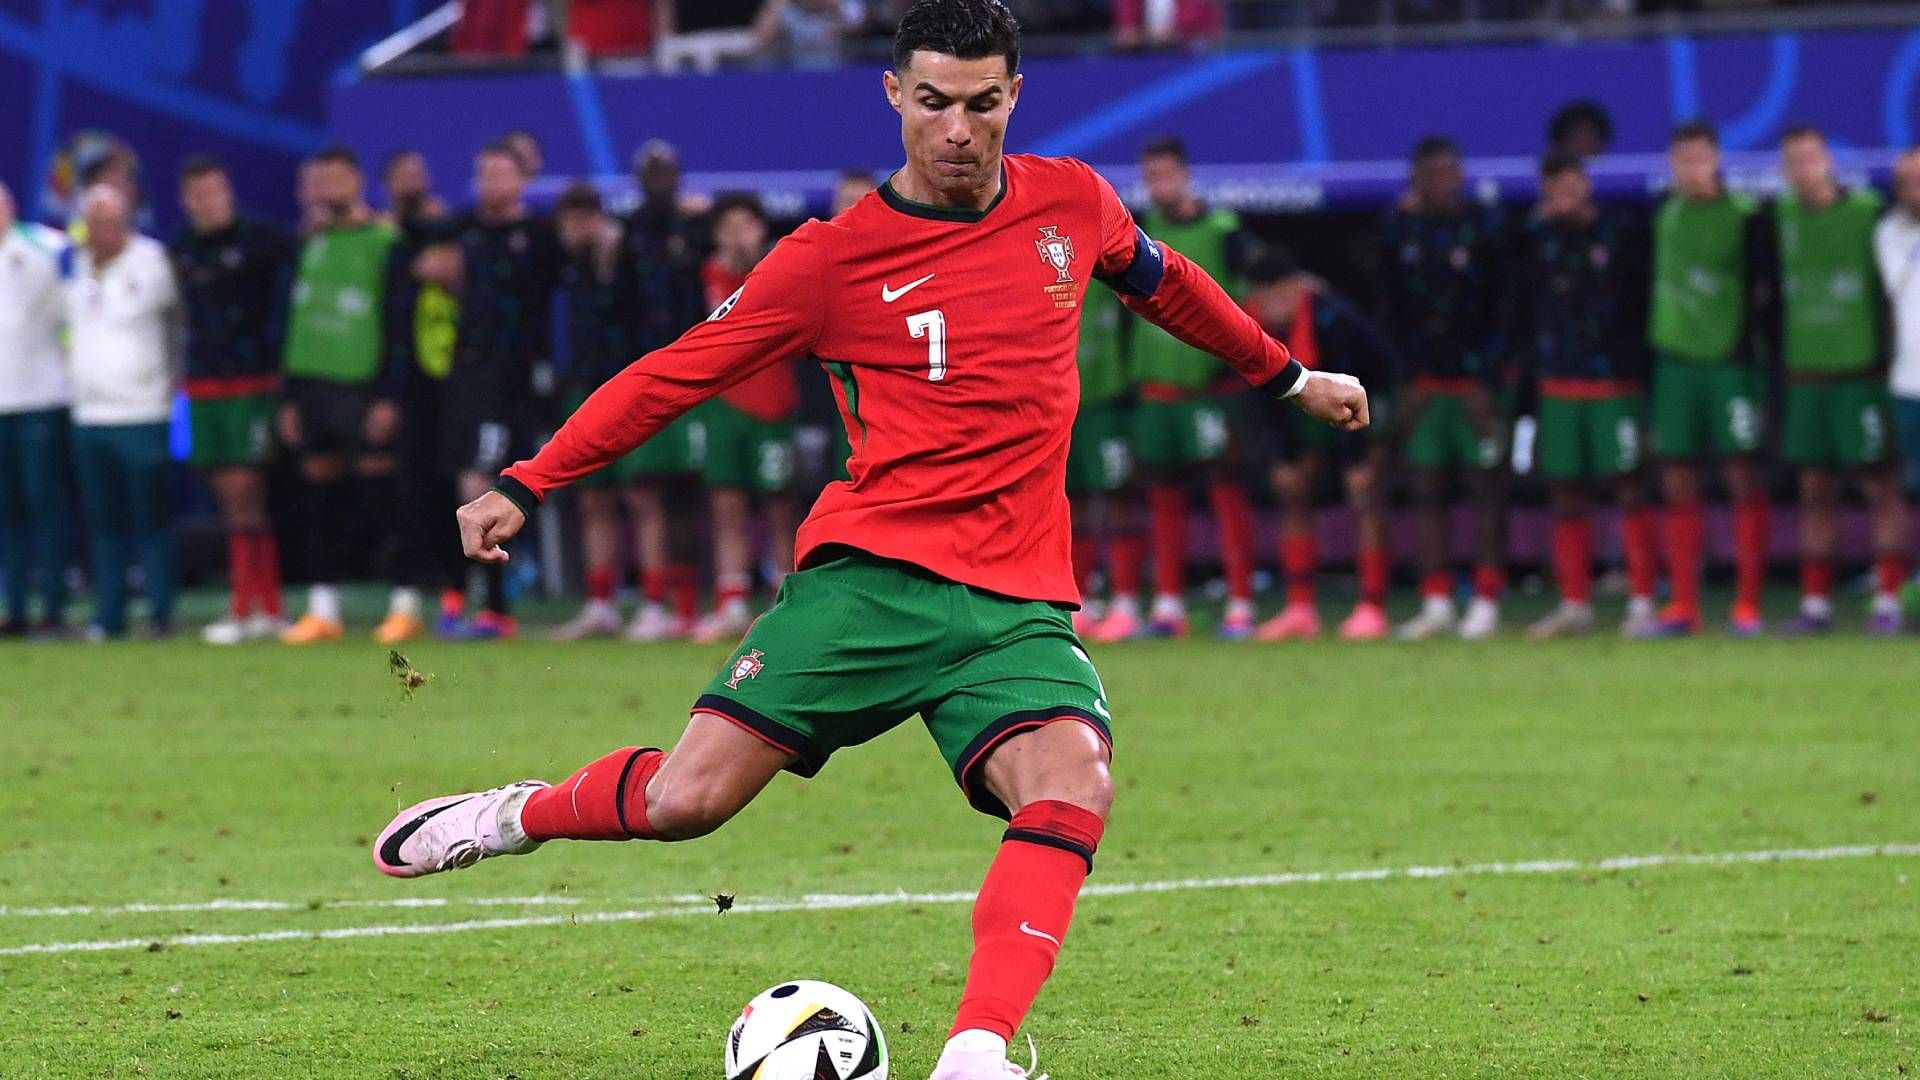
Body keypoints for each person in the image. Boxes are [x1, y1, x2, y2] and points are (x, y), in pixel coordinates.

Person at [369, 7, 1366, 1080]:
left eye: (982, 104)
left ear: (1014, 97)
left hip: (1015, 603)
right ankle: (516, 814)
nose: (958, 130)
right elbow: (675, 373)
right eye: (933, 102)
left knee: (1073, 783)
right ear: (894, 94)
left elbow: (1166, 284)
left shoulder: (1072, 202)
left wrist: (1288, 377)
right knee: (684, 803)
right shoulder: (830, 260)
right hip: (871, 584)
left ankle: (975, 1053)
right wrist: (530, 479)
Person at [1114, 135, 1260, 640]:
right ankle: (1168, 604)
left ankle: (1240, 603)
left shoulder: (1224, 231)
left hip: (1210, 391)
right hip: (1156, 392)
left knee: (1226, 490)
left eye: (1167, 174)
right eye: (1151, 176)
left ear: (1186, 174)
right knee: (1160, 495)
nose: (1159, 185)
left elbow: (1252, 297)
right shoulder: (1136, 232)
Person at [1511, 152, 1658, 639]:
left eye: (1573, 187)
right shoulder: (1536, 240)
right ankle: (1575, 604)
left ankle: (1642, 602)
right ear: (1544, 193)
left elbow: (1641, 304)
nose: (1566, 198)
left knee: (1628, 486)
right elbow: (1520, 308)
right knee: (1565, 491)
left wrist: (1640, 377)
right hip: (1557, 384)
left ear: (1587, 186)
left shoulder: (1621, 234)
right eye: (1556, 190)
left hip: (1614, 383)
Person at [1771, 127, 1907, 634]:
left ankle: (1888, 601)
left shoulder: (1868, 214)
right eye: (1793, 161)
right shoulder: (1780, 216)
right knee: (1814, 489)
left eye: (1811, 158)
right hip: (1806, 378)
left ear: (1829, 161)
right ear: (1784, 170)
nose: (1803, 169)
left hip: (1859, 377)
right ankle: (1815, 605)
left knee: (1879, 486)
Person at [429, 141, 565, 639]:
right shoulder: (461, 231)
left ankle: (492, 605)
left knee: (486, 482)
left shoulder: (540, 237)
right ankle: (462, 597)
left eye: (501, 174)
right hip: (467, 372)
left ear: (522, 180)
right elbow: (419, 250)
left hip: (515, 378)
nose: (490, 183)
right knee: (462, 479)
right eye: (483, 173)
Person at [1379, 136, 1510, 640]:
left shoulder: (1487, 228)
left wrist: (1487, 379)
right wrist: (1407, 376)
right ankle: (1436, 601)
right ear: (1415, 178)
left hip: (1476, 386)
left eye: (1450, 171)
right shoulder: (1399, 231)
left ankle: (1487, 599)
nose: (1442, 181)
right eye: (1431, 172)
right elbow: (1390, 310)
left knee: (1486, 488)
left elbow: (1504, 307)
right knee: (1426, 488)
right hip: (1424, 385)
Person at [1643, 122, 1771, 637]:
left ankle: (1747, 605)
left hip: (1728, 365)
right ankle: (1684, 605)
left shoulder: (1746, 216)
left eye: (1700, 159)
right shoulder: (1665, 213)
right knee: (1677, 481)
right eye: (1682, 160)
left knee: (1742, 477)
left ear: (1717, 161)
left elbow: (1764, 290)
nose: (1691, 170)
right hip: (1675, 365)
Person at [278, 147, 404, 643]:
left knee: (385, 497)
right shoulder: (309, 243)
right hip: (313, 386)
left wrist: (390, 394)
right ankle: (323, 609)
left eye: (337, 178)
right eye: (320, 179)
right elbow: (295, 320)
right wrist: (289, 397)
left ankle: (405, 603)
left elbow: (397, 321)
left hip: (364, 385)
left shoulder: (385, 241)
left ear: (357, 181)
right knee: (318, 499)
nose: (328, 188)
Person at [172, 156, 296, 644]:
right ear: (186, 201)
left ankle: (256, 606)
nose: (210, 202)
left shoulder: (261, 241)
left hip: (253, 384)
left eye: (216, 191)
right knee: (229, 498)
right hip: (204, 387)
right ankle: (255, 606)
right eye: (199, 194)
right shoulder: (182, 251)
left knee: (248, 492)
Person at [1241, 249, 1397, 641]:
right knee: (1293, 491)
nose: (1271, 303)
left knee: (1364, 495)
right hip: (1301, 417)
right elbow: (1259, 394)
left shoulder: (1335, 318)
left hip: (1358, 408)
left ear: (1297, 287)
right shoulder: (1252, 325)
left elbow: (1378, 374)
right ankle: (1299, 608)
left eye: (1278, 292)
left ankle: (1372, 607)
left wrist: (1366, 454)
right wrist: (1281, 458)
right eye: (1263, 294)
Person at [65, 184, 180, 641]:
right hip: (89, 415)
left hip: (143, 413)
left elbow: (178, 323)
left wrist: (170, 387)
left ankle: (160, 613)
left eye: (112, 221)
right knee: (103, 524)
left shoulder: (152, 261)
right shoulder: (72, 267)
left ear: (127, 220)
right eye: (95, 222)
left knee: (152, 521)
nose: (104, 230)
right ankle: (109, 616)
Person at [610, 140, 712, 640]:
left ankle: (688, 607)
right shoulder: (626, 236)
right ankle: (654, 603)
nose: (658, 182)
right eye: (650, 173)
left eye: (665, 173)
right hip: (643, 377)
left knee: (687, 494)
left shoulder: (696, 231)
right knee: (645, 491)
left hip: (696, 377)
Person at [692, 193, 800, 643]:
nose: (738, 235)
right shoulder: (704, 274)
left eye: (746, 225)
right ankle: (731, 601)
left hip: (774, 402)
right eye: (728, 226)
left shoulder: (783, 269)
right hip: (723, 404)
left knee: (780, 507)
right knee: (726, 506)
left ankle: (788, 603)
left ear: (762, 229)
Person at [549, 182, 643, 640]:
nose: (576, 230)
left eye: (584, 220)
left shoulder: (629, 260)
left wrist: (611, 268)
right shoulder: (563, 269)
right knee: (593, 500)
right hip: (582, 392)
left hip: (630, 392)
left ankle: (655, 604)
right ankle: (601, 604)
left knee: (641, 496)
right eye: (569, 222)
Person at [377, 148, 460, 645]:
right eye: (403, 175)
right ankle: (406, 603)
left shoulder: (453, 237)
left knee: (456, 488)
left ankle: (457, 598)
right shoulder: (386, 245)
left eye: (418, 173)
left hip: (452, 384)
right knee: (407, 493)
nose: (413, 182)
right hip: (404, 388)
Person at [0, 180, 74, 637]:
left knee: (45, 508)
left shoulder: (45, 246)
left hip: (40, 400)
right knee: (6, 514)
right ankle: (14, 609)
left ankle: (54, 609)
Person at [1066, 259, 1143, 638]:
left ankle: (1126, 604)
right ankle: (1079, 601)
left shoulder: (1112, 264)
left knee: (1118, 499)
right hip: (1063, 404)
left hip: (1109, 404)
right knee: (1070, 503)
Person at [1874, 149, 1920, 511]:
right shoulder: (1889, 233)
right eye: (1907, 182)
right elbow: (1897, 291)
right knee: (1913, 486)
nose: (1915, 189)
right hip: (1910, 383)